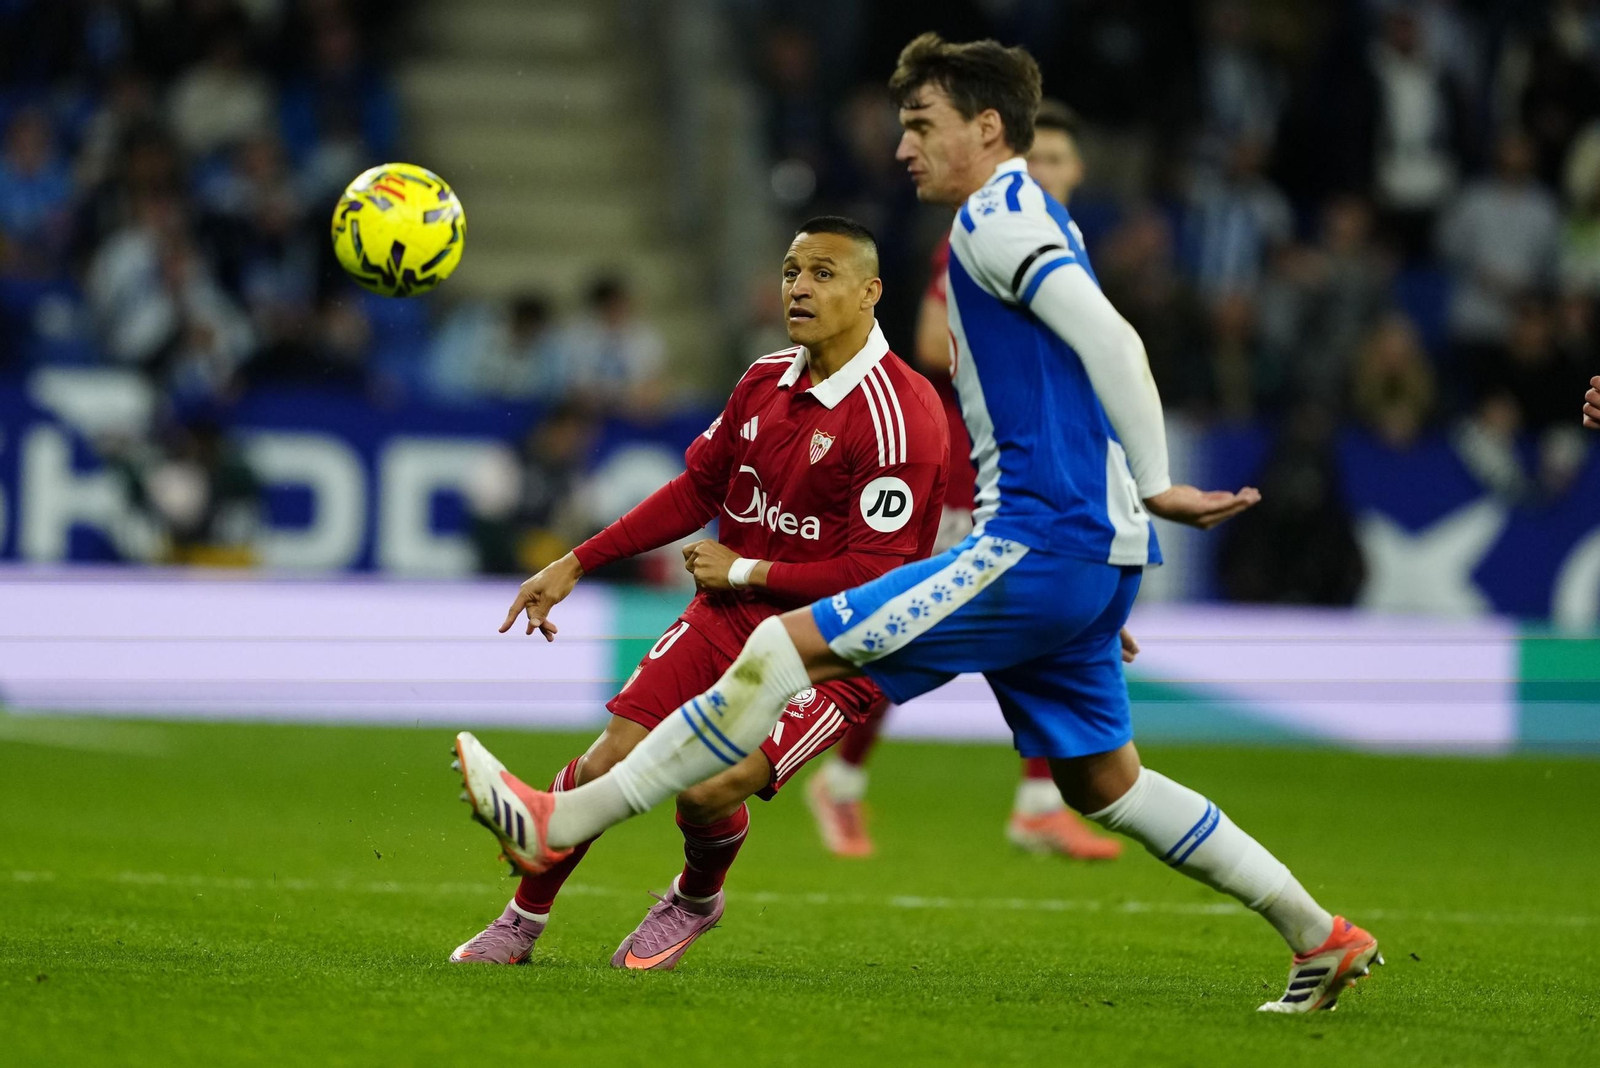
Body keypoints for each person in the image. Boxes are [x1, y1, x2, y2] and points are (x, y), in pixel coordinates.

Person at [457, 34, 1382, 1016]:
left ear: (985, 130)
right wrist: (1114, 542)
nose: (901, 148)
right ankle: (1318, 935)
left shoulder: (996, 217)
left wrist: (1154, 482)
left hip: (1035, 539)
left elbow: (1112, 340)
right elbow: (1074, 374)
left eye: (920, 125)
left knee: (780, 646)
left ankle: (562, 821)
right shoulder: (1027, 220)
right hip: (1086, 553)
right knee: (1107, 785)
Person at [448, 216, 949, 969]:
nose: (799, 287)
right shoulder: (762, 378)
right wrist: (576, 562)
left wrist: (743, 570)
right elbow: (697, 491)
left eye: (822, 273)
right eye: (790, 271)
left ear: (871, 292)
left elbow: (877, 580)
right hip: (728, 617)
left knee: (706, 792)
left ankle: (693, 897)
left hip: (839, 644)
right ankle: (521, 921)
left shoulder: (900, 415)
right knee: (602, 762)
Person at [809, 99, 1125, 862]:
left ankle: (1038, 803)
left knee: (1047, 632)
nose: (1044, 171)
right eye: (1035, 158)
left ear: (1078, 172)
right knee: (915, 633)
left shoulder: (1064, 249)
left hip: (1038, 476)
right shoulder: (983, 239)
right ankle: (839, 780)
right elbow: (924, 339)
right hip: (969, 468)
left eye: (1057, 160)